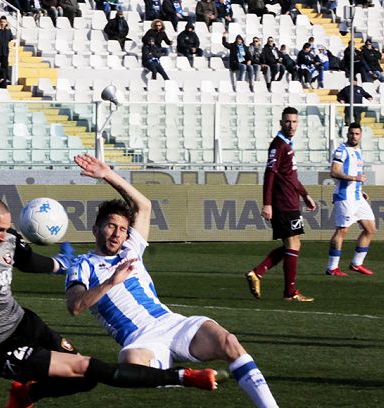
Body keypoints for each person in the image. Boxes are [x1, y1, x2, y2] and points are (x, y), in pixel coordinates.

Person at [0, 193, 220, 408]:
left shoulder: (8, 239)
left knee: (83, 379)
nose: (3, 236)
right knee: (85, 366)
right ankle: (184, 377)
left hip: (23, 323)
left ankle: (26, 393)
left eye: (6, 229)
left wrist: (60, 264)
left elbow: (27, 261)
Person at [66, 154, 275, 407]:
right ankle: (183, 377)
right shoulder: (82, 265)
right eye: (111, 226)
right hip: (140, 340)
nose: (117, 234)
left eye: (122, 229)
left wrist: (108, 174)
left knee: (228, 342)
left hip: (173, 324)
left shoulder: (131, 249)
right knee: (129, 365)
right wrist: (111, 281)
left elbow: (144, 206)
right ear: (96, 228)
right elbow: (75, 306)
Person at [246, 107, 318, 303]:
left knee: (294, 244)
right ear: (281, 123)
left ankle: (259, 273)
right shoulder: (278, 145)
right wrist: (267, 204)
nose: (291, 125)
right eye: (288, 121)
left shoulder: (287, 145)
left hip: (291, 200)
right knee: (292, 244)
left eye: (294, 122)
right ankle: (288, 291)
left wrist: (305, 195)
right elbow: (269, 174)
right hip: (283, 202)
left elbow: (291, 177)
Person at [326, 123, 376, 277]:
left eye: (357, 134)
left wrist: (360, 190)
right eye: (351, 133)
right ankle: (332, 267)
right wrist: (355, 178)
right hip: (345, 197)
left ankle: (356, 264)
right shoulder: (342, 151)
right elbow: (334, 172)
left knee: (370, 229)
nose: (354, 136)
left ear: (361, 136)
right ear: (347, 134)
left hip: (357, 197)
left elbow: (356, 174)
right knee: (342, 230)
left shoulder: (358, 152)